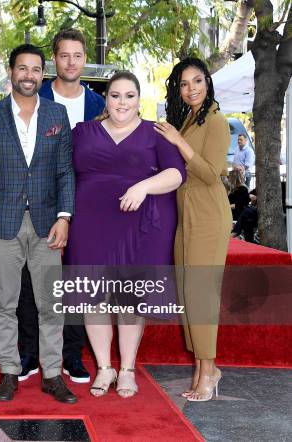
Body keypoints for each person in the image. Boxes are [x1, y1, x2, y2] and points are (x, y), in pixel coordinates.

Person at [66, 71, 185, 398]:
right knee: (93, 296)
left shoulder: (155, 133)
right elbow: (62, 172)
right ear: (106, 99)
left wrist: (143, 186)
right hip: (90, 225)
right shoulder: (82, 132)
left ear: (138, 99)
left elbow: (176, 174)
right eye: (115, 95)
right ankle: (105, 367)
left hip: (138, 227)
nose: (122, 102)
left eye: (129, 96)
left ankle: (128, 368)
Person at [0, 44, 77, 404]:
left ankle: (51, 374)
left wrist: (65, 217)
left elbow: (65, 172)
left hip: (48, 223)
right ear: (11, 71)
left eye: (35, 69)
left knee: (50, 303)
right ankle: (8, 372)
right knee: (4, 302)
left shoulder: (57, 115)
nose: (28, 75)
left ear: (42, 74)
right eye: (22, 68)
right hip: (2, 224)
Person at [16, 28, 105, 384]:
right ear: (54, 58)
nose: (71, 62)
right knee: (29, 281)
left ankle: (73, 355)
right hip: (35, 202)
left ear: (85, 59)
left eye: (77, 56)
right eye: (64, 55)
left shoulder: (98, 104)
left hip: (85, 203)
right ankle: (28, 353)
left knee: (77, 281)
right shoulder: (35, 95)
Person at [155, 57, 232, 402]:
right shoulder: (188, 117)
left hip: (209, 216)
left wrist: (178, 142)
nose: (191, 89)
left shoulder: (216, 120)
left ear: (207, 82)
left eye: (197, 81)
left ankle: (210, 369)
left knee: (201, 295)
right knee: (188, 295)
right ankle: (204, 369)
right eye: (184, 84)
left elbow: (211, 173)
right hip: (185, 215)